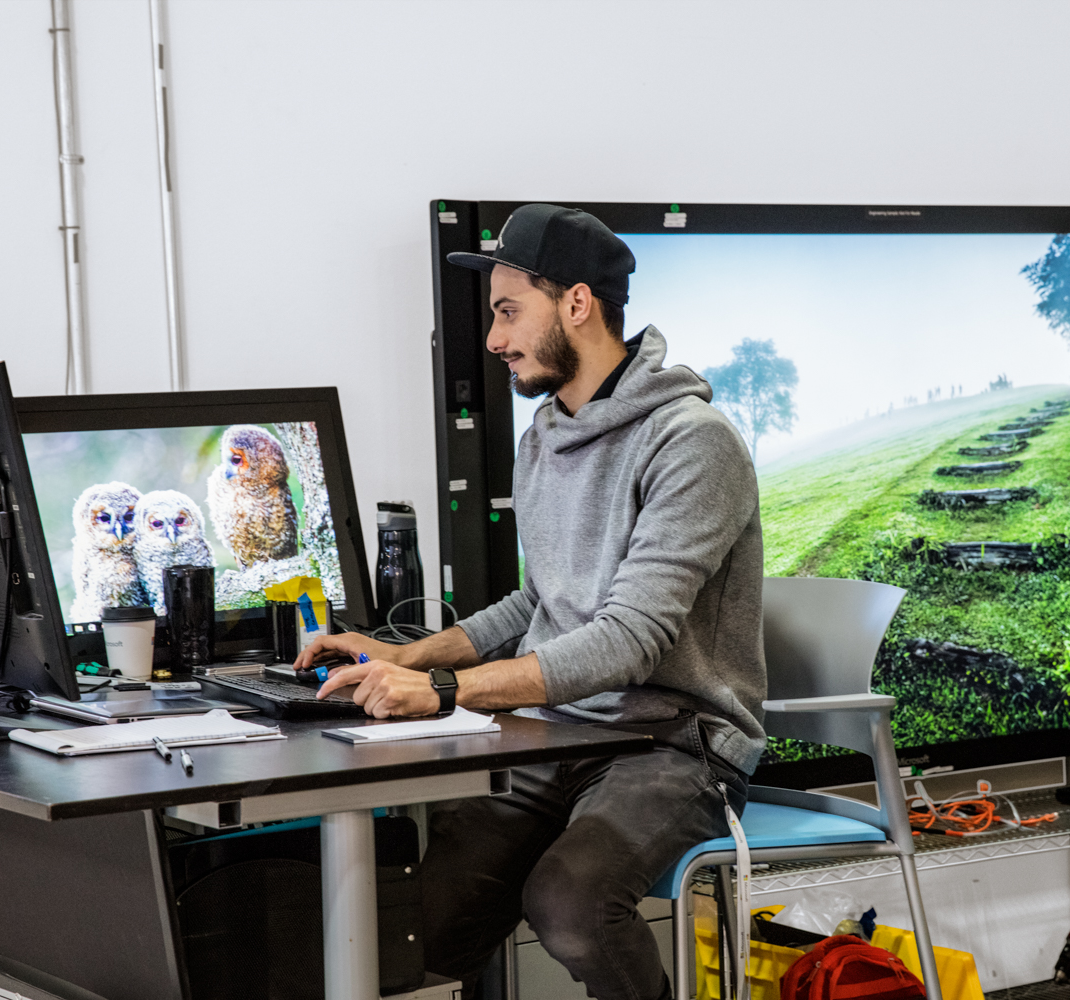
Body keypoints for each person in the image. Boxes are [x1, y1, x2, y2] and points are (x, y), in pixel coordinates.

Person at [296, 203, 766, 1000]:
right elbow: (537, 601)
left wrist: (442, 690)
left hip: (676, 743)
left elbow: (628, 643)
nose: (494, 339)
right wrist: (404, 655)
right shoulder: (546, 434)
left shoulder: (693, 442)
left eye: (509, 312)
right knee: (426, 909)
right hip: (561, 732)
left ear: (576, 304)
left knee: (570, 903)